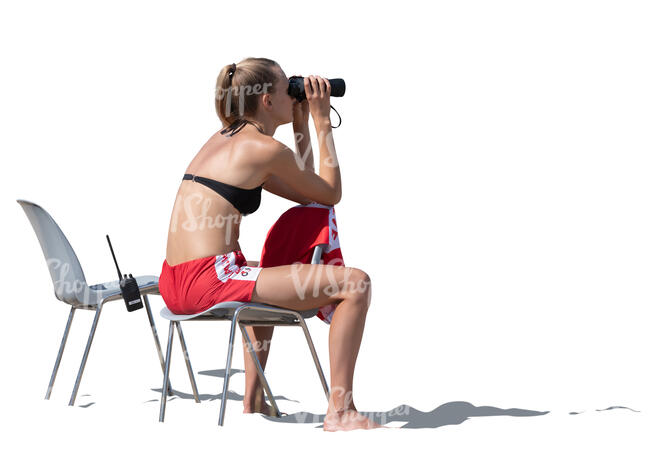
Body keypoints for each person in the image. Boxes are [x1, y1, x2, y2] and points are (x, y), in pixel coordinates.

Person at [158, 57, 384, 431]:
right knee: (355, 284)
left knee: (262, 272)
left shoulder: (226, 139)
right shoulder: (263, 149)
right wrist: (321, 120)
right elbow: (332, 192)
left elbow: (311, 194)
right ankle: (340, 411)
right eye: (286, 89)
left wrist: (299, 124)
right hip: (207, 279)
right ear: (265, 100)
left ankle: (254, 400)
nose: (294, 94)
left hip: (176, 280)